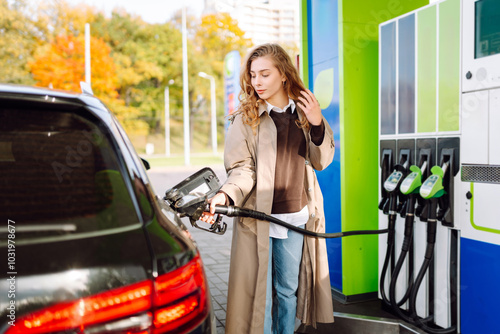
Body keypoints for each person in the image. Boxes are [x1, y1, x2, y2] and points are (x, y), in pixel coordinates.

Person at [201, 43, 335, 334]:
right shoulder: (246, 118)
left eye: (264, 74)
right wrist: (225, 193)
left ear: (284, 74)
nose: (257, 82)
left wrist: (316, 124)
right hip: (257, 218)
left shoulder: (304, 114)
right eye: (252, 75)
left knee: (287, 290)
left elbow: (321, 161)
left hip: (296, 216)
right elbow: (242, 169)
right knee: (256, 294)